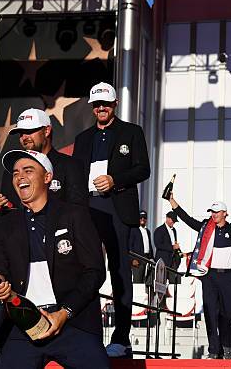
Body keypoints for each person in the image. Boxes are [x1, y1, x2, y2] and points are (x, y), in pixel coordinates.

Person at [0, 149, 107, 369]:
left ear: (47, 177)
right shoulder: (3, 225)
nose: (20, 177)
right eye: (15, 173)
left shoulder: (74, 215)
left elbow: (95, 270)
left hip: (73, 321)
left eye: (28, 170)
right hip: (21, 326)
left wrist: (64, 313)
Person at [72, 82, 151, 358]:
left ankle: (121, 337)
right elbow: (75, 177)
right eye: (96, 104)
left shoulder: (131, 132)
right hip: (88, 209)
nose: (101, 108)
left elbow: (144, 169)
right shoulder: (83, 139)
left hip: (117, 208)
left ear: (115, 104)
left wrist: (115, 180)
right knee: (86, 270)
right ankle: (86, 334)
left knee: (119, 273)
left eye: (105, 103)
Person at [168, 194, 231, 359]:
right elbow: (187, 219)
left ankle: (227, 347)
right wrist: (172, 201)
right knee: (210, 313)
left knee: (228, 314)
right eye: (212, 211)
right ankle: (214, 350)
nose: (213, 214)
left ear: (225, 213)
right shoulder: (205, 227)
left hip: (230, 278)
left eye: (217, 211)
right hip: (210, 277)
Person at [0, 108, 88, 212]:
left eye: (29, 131)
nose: (24, 137)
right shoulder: (12, 172)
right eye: (21, 133)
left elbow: (79, 212)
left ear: (47, 131)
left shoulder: (70, 166)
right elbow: (7, 217)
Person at [153, 211, 181, 283]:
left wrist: (179, 253)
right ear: (167, 218)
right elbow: (158, 245)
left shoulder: (174, 230)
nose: (173, 222)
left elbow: (174, 243)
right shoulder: (159, 230)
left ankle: (173, 294)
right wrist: (172, 247)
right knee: (162, 282)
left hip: (173, 260)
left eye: (175, 221)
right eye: (172, 220)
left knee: (174, 282)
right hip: (163, 260)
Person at [130, 210, 153, 283]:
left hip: (147, 259)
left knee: (146, 281)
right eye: (141, 218)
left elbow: (149, 245)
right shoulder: (133, 229)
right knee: (137, 281)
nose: (142, 219)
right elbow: (129, 246)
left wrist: (151, 257)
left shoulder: (147, 231)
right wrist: (132, 259)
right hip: (137, 259)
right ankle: (136, 294)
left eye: (144, 218)